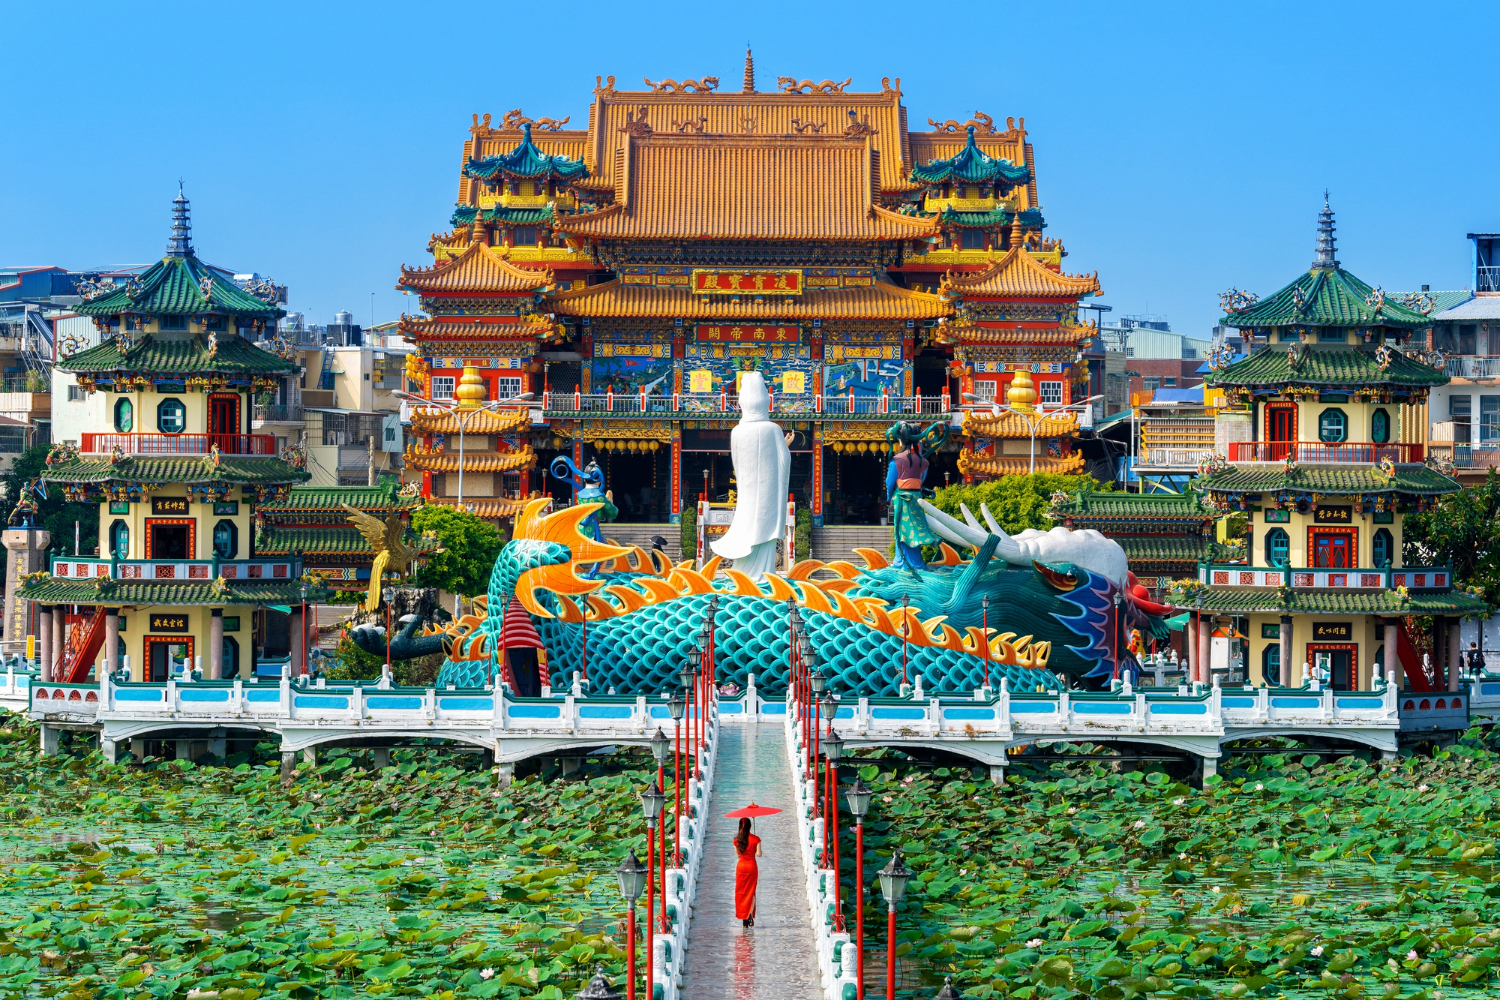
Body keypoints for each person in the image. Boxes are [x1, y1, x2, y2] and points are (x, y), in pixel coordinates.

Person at [711, 372, 792, 581]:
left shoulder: (736, 431)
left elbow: (736, 464)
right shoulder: (773, 429)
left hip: (747, 492)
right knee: (764, 533)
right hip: (769, 494)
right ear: (764, 400)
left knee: (748, 528)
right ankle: (764, 576)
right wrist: (785, 446)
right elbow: (784, 462)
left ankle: (743, 574)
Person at [733, 817, 761, 927]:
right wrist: (756, 845)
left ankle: (743, 917)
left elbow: (738, 855)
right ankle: (749, 913)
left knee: (741, 892)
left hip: (741, 867)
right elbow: (759, 854)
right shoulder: (756, 839)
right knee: (751, 891)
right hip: (751, 867)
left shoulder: (737, 840)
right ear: (750, 826)